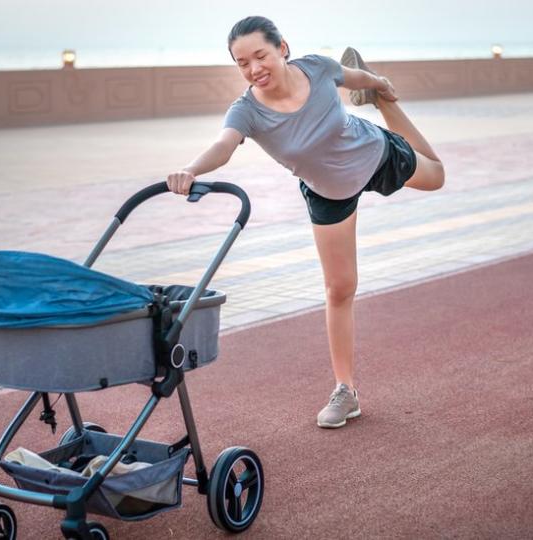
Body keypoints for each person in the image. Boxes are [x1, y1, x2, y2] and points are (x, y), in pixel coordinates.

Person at [167, 16, 445, 429]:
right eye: (242, 63)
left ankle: (386, 109)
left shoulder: (317, 67)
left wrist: (379, 85)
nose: (254, 68)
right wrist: (190, 169)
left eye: (260, 55)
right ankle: (345, 391)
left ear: (282, 48)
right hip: (329, 192)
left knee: (436, 177)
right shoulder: (246, 112)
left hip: (373, 154)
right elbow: (224, 146)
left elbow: (355, 75)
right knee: (339, 288)